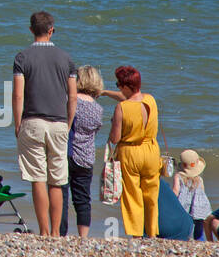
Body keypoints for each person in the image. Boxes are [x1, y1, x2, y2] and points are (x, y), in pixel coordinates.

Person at [11, 10, 77, 237]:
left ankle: (44, 231)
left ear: (31, 30)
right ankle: (57, 232)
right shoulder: (67, 59)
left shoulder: (22, 57)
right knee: (57, 180)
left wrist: (17, 123)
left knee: (38, 177)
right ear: (51, 30)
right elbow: (73, 97)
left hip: (32, 120)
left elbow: (18, 96)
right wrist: (68, 123)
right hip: (59, 123)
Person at [109, 65, 160, 237]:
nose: (118, 87)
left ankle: (136, 234)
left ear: (125, 86)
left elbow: (115, 138)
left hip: (130, 153)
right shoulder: (151, 100)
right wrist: (104, 92)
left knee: (132, 195)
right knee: (151, 195)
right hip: (151, 150)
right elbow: (133, 100)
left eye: (118, 84)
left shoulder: (121, 108)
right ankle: (152, 232)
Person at [59, 65, 105, 237]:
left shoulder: (70, 99)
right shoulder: (98, 109)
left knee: (62, 195)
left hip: (67, 152)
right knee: (83, 199)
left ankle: (60, 232)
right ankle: (83, 237)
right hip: (86, 156)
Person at [172, 149, 210, 241]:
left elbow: (176, 190)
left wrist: (171, 201)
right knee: (199, 228)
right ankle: (200, 241)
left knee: (186, 226)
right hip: (198, 207)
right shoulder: (199, 179)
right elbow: (202, 193)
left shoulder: (178, 176)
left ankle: (185, 239)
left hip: (183, 207)